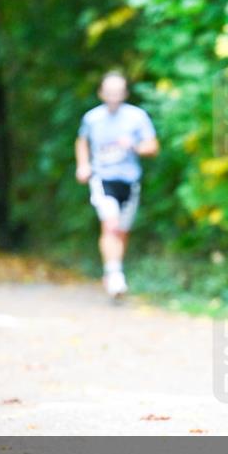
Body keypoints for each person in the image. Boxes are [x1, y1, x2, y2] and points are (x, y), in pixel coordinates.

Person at [75, 72, 159, 299]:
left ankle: (112, 270)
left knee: (121, 232)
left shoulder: (137, 117)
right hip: (102, 179)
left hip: (129, 181)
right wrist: (83, 165)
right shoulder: (92, 118)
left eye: (118, 91)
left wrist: (134, 146)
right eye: (109, 91)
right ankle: (115, 275)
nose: (114, 96)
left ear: (125, 93)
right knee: (110, 224)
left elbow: (152, 147)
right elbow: (82, 141)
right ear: (101, 93)